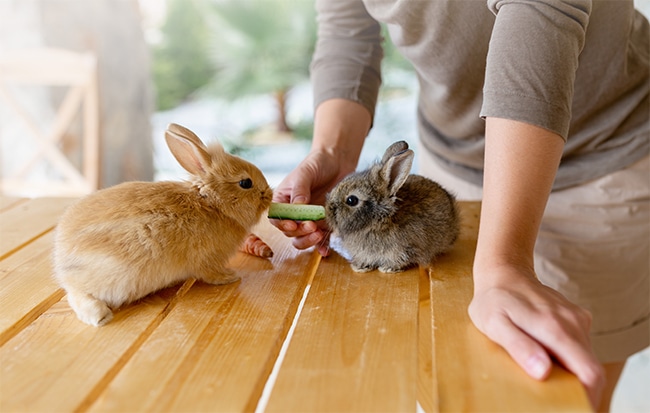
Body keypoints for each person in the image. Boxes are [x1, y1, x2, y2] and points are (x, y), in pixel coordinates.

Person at [272, 1, 649, 411]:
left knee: (558, 393)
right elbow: (348, 25)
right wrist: (332, 151)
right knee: (453, 383)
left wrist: (504, 262)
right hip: (452, 158)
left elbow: (542, 9)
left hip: (599, 152)